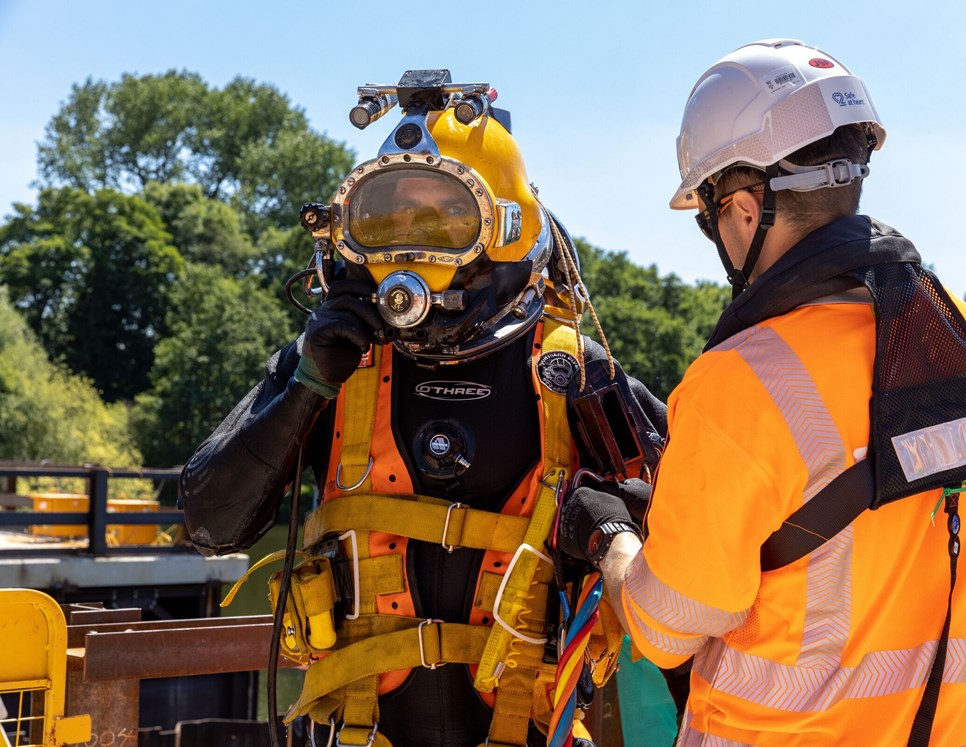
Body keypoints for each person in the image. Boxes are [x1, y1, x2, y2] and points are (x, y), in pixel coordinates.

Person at [555, 40, 966, 747]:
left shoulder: (738, 380)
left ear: (746, 210)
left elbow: (664, 630)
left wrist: (617, 543)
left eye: (711, 214)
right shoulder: (960, 335)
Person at [178, 70, 667, 747]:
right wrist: (307, 387)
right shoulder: (333, 365)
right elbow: (209, 524)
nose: (409, 247)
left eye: (441, 219)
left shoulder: (572, 375)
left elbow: (700, 565)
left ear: (504, 227)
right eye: (386, 221)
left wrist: (614, 525)